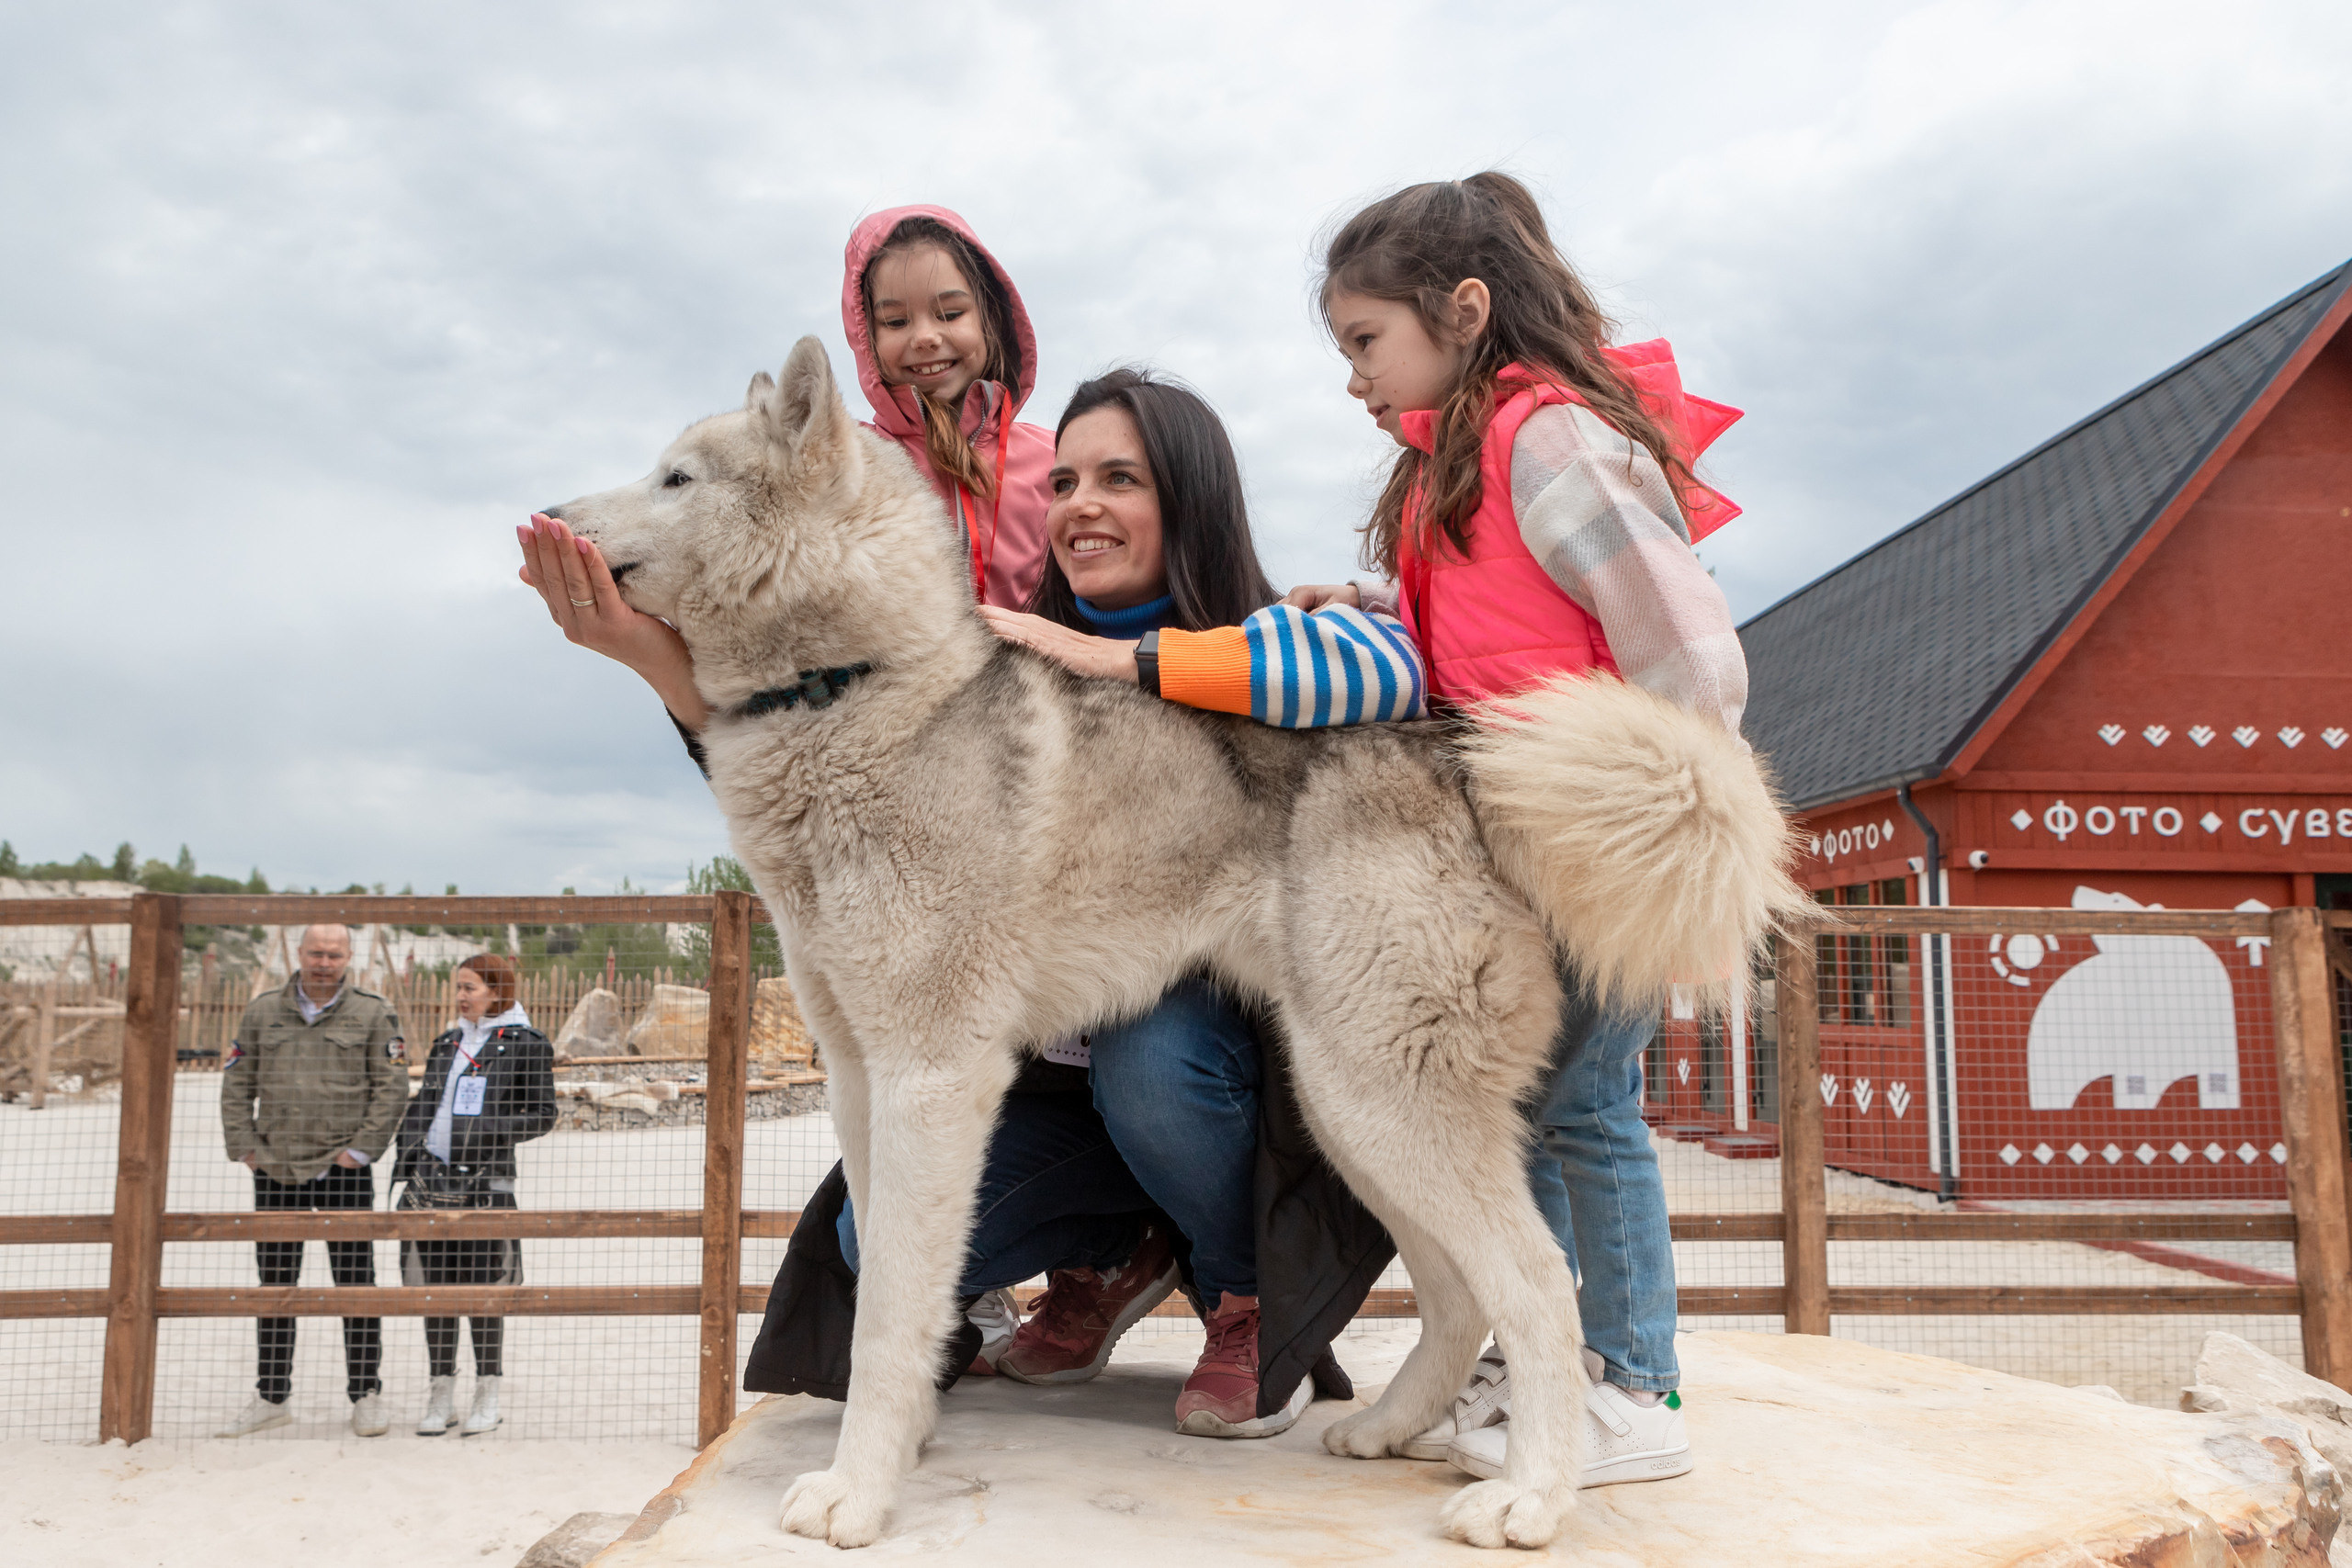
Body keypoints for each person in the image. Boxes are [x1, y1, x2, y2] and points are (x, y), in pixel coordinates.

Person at [1128, 172, 1742, 1488]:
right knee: (1533, 1109)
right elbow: (1487, 626)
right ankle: (1554, 1365)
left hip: (1593, 839)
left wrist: (1640, 811)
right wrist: (1360, 593)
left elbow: (1693, 657)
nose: (1352, 374)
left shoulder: (1551, 438)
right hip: (1523, 841)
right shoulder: (1454, 459)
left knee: (1589, 1106)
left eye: (1365, 339)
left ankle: (1641, 1384)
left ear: (1461, 311)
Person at [513, 204, 1057, 738]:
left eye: (950, 313)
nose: (924, 337)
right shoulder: (820, 471)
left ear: (990, 318)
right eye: (894, 320)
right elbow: (774, 717)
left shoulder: (1066, 466)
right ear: (866, 336)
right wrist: (645, 648)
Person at [215, 923, 408, 1438]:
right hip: (276, 1171)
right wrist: (246, 1147)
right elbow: (236, 1081)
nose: (324, 962)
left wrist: (360, 1152)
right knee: (275, 1287)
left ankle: (366, 1394)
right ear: (299, 954)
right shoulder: (261, 1012)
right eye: (315, 953)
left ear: (349, 957)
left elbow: (390, 1088)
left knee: (356, 1287)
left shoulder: (372, 1012)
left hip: (342, 1172)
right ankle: (271, 1396)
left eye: (334, 954)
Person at [390, 953, 556, 1436]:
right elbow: (426, 1104)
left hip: (487, 1185)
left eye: (471, 987)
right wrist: (410, 1152)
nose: (461, 996)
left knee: (484, 1291)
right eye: (459, 987)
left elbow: (543, 1114)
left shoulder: (527, 1043)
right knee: (437, 1293)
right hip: (431, 1184)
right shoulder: (447, 1042)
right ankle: (441, 1393)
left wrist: (487, 1126)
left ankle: (489, 1392)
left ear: (497, 991)